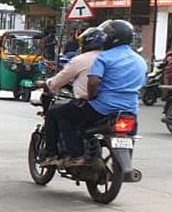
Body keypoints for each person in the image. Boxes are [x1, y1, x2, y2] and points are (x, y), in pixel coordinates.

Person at [51, 20, 147, 167]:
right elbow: (142, 84)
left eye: (106, 36)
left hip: (102, 108)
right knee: (130, 134)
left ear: (113, 39)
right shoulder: (140, 60)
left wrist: (91, 96)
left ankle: (77, 156)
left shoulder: (105, 57)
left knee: (61, 114)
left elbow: (94, 81)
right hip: (130, 109)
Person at [39, 27, 105, 163]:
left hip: (93, 105)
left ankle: (58, 154)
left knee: (56, 114)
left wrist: (47, 84)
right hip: (121, 107)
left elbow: (58, 80)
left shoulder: (80, 60)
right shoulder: (113, 58)